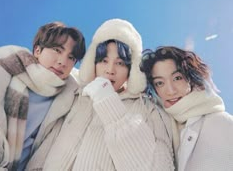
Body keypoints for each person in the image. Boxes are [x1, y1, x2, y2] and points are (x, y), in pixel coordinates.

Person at [26, 18, 175, 171]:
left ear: (132, 70)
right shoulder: (76, 98)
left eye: (120, 63)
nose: (110, 70)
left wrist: (110, 105)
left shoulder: (148, 109)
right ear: (93, 63)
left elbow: (159, 166)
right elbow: (44, 152)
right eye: (104, 60)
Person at [0, 21, 86, 171]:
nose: (62, 62)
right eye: (57, 50)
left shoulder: (69, 98)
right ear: (37, 50)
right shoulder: (8, 68)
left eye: (71, 58)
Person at [140, 46, 233, 171]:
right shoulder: (157, 127)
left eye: (177, 78)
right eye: (160, 83)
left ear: (191, 78)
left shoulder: (224, 124)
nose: (170, 91)